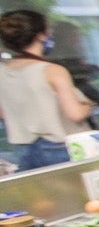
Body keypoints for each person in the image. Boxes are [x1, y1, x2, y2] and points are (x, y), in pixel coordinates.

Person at [0, 10, 94, 170]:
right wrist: (88, 105)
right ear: (41, 35)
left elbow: (3, 114)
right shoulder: (52, 70)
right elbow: (75, 113)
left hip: (24, 150)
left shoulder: (2, 71)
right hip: (60, 148)